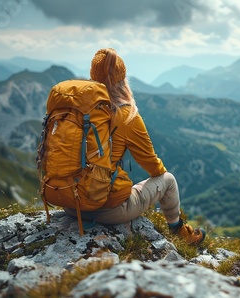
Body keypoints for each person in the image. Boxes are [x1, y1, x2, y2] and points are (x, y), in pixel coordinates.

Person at [64, 48, 205, 245]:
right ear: (122, 79)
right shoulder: (126, 115)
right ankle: (181, 234)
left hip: (69, 202)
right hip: (105, 209)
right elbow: (152, 166)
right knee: (169, 180)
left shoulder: (78, 110)